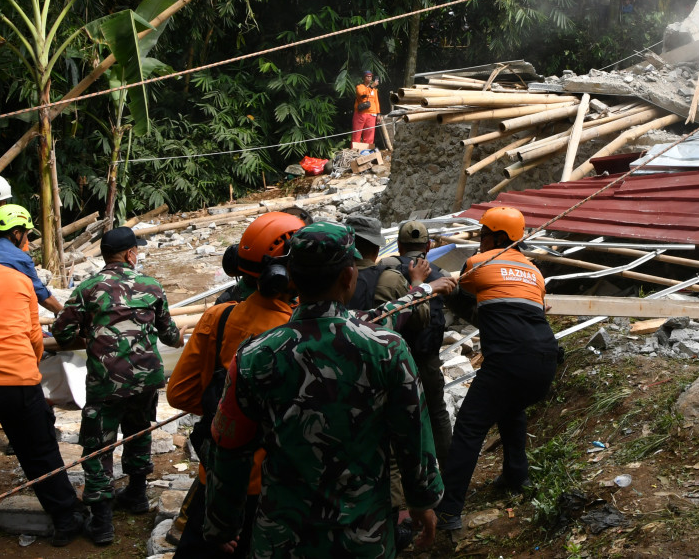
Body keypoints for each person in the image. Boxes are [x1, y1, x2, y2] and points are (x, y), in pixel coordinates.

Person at [202, 222, 446, 557]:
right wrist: (423, 502)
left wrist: (221, 525)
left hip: (282, 539)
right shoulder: (387, 349)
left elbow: (229, 449)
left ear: (292, 277)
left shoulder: (255, 356)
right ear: (349, 276)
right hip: (363, 535)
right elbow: (413, 437)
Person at [0, 209, 87, 546]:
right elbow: (34, 339)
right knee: (41, 454)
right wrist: (22, 367)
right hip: (21, 380)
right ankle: (67, 519)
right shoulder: (21, 281)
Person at [166, 211, 305, 557]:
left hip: (215, 477)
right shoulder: (299, 334)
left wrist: (225, 409)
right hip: (273, 490)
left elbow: (179, 393)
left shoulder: (220, 316)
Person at [52, 226, 181, 545]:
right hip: (147, 378)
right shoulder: (151, 285)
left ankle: (102, 522)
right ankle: (137, 494)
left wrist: (93, 337)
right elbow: (169, 335)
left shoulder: (88, 288)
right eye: (136, 250)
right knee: (138, 431)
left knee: (98, 446)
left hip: (106, 382)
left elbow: (62, 333)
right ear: (129, 254)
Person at [436, 207, 559, 532]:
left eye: (482, 234)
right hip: (546, 359)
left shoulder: (478, 264)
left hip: (508, 361)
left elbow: (460, 296)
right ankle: (517, 474)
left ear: (497, 237)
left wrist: (437, 288)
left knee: (469, 429)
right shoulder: (535, 272)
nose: (478, 241)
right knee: (511, 406)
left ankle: (448, 511)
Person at [391, 220, 452, 463]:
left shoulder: (387, 271)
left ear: (398, 245)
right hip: (428, 359)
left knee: (395, 418)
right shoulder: (442, 274)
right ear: (428, 246)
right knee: (437, 413)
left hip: (396, 360)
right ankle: (449, 471)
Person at [0, 204, 63, 314]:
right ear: (16, 234)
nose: (26, 240)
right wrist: (65, 314)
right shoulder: (20, 258)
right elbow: (42, 296)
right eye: (26, 234)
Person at [352, 70, 380, 148]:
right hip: (360, 113)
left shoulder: (374, 90)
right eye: (367, 76)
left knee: (369, 135)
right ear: (364, 78)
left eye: (370, 76)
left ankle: (367, 153)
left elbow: (376, 102)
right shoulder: (359, 87)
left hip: (372, 114)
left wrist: (379, 114)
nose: (369, 78)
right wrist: (371, 87)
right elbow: (362, 95)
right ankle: (355, 152)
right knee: (357, 133)